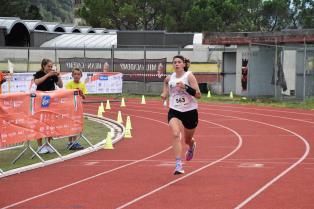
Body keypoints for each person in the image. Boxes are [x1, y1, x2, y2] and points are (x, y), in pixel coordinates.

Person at [161, 55, 201, 175]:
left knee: (187, 140)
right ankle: (178, 164)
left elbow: (198, 95)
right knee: (175, 133)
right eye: (174, 62)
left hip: (190, 111)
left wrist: (186, 87)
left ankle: (192, 145)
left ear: (184, 64)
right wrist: (164, 93)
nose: (177, 64)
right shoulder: (169, 78)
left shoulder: (189, 76)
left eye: (179, 62)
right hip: (175, 110)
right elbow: (166, 86)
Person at [33, 58, 63, 154]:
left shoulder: (53, 74)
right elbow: (37, 82)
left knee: (50, 122)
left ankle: (48, 144)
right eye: (48, 66)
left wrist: (58, 76)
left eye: (51, 66)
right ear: (43, 66)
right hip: (40, 101)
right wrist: (47, 75)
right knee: (40, 122)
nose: (50, 68)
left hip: (51, 101)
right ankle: (39, 146)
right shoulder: (39, 73)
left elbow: (61, 85)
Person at [65, 67, 87, 150]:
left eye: (78, 74)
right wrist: (74, 91)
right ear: (72, 75)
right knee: (71, 124)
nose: (76, 76)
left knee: (76, 124)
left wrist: (81, 93)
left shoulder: (82, 85)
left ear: (81, 75)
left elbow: (84, 97)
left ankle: (74, 142)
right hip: (70, 107)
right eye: (75, 74)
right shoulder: (69, 84)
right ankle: (70, 142)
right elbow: (67, 95)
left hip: (78, 107)